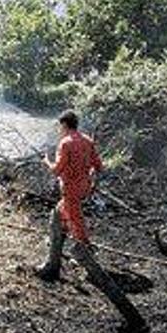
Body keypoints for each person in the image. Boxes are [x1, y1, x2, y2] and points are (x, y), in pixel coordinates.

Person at [35, 110, 103, 282]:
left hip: (70, 190)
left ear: (64, 125)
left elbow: (56, 170)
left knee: (76, 221)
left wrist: (46, 161)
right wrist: (91, 179)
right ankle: (54, 255)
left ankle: (84, 254)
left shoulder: (65, 143)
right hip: (84, 188)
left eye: (60, 126)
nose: (59, 129)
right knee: (58, 216)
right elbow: (99, 166)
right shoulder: (88, 140)